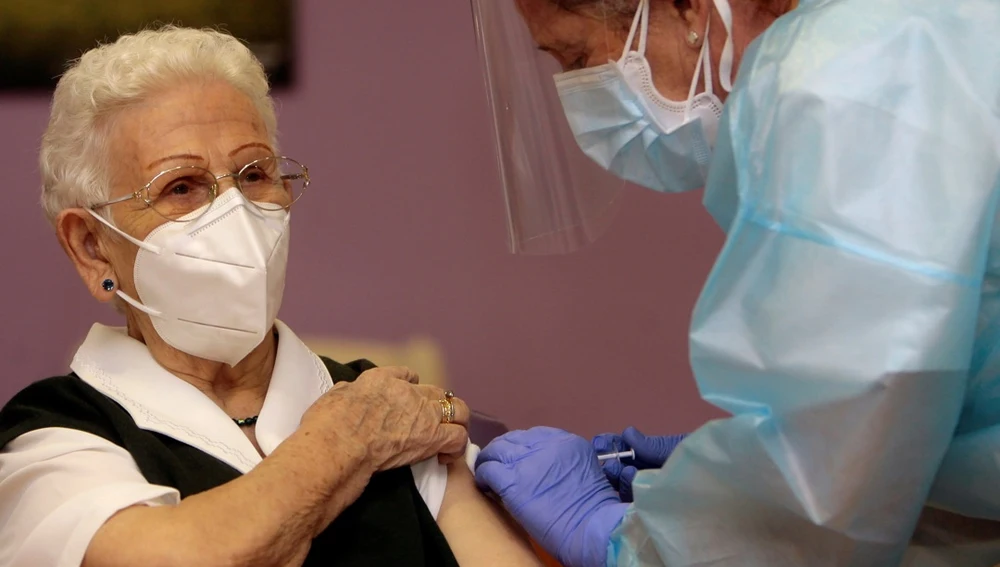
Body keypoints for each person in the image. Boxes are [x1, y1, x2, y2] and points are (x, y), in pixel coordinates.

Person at [470, 0, 1000, 565]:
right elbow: (895, 436)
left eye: (578, 57)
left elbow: (830, 491)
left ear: (687, 9)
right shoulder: (904, 33)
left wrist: (632, 543)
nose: (579, 95)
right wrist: (732, 477)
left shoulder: (838, 86)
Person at [0, 26, 543, 567]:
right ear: (92, 247)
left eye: (254, 174)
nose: (234, 211)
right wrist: (343, 444)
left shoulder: (383, 403)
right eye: (181, 186)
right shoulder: (55, 436)